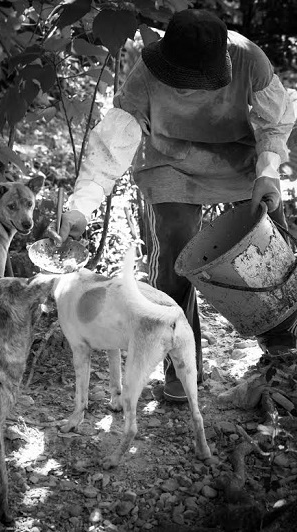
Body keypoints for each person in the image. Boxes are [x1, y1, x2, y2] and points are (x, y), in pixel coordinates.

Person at [54, 9, 296, 401]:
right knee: (175, 256)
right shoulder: (145, 73)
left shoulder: (249, 58)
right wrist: (81, 206)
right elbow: (110, 146)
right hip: (169, 162)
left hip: (238, 159)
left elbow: (276, 120)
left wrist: (268, 172)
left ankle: (282, 336)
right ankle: (181, 364)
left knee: (271, 242)